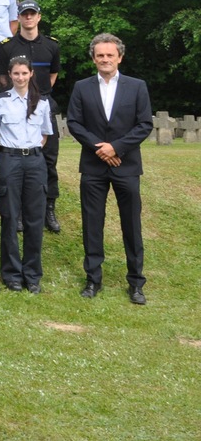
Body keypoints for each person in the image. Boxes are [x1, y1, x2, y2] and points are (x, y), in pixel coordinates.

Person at [67, 33, 153, 305]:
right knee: (92, 224)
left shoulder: (136, 86)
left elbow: (144, 124)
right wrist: (99, 148)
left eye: (110, 55)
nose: (105, 59)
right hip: (93, 167)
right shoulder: (81, 87)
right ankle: (93, 279)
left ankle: (136, 282)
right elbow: (74, 123)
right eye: (100, 55)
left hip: (126, 166)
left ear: (120, 57)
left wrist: (115, 147)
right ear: (94, 58)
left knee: (132, 224)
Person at [0, 56, 53, 293]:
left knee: (34, 219)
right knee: (10, 217)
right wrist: (8, 154)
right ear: (10, 76)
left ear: (31, 74)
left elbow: (44, 135)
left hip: (34, 161)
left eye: (24, 73)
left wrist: (29, 152)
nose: (20, 77)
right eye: (16, 74)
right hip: (9, 160)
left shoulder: (42, 102)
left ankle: (32, 274)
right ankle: (12, 274)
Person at [0, 0, 63, 233]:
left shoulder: (52, 46)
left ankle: (48, 208)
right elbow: (2, 79)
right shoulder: (7, 47)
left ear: (39, 17)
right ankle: (21, 212)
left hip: (42, 105)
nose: (28, 18)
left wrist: (37, 96)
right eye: (24, 14)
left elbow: (52, 76)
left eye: (32, 14)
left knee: (48, 158)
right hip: (14, 106)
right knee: (17, 162)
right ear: (20, 18)